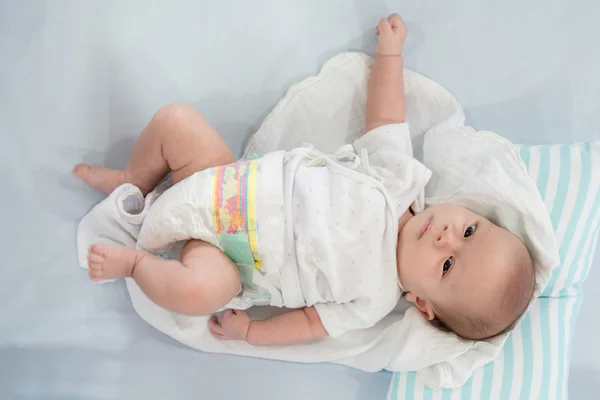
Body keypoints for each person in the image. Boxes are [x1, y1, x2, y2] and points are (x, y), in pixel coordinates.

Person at [73, 14, 534, 344]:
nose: (447, 238)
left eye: (448, 266)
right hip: (223, 181)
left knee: (199, 292)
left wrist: (253, 331)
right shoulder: (399, 180)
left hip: (231, 259)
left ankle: (134, 264)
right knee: (176, 122)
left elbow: (311, 324)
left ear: (421, 303)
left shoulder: (372, 298)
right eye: (470, 230)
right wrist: (389, 55)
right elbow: (386, 117)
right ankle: (132, 179)